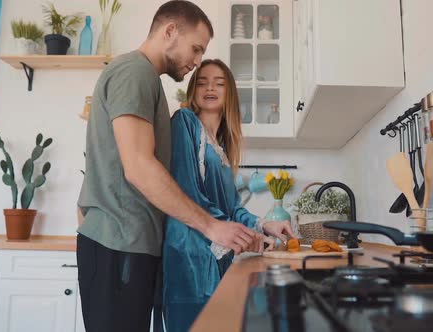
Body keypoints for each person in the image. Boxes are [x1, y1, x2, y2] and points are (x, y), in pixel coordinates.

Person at [76, 2, 263, 331]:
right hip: (119, 244)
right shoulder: (134, 72)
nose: (196, 61)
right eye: (196, 49)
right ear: (170, 31)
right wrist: (211, 226)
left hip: (129, 246)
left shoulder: (147, 80)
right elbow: (137, 166)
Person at [162, 59, 296, 332]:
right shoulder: (184, 122)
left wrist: (263, 225)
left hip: (217, 257)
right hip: (189, 258)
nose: (210, 88)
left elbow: (233, 208)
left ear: (230, 93)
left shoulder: (221, 147)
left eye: (219, 83)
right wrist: (245, 237)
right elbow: (187, 193)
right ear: (193, 90)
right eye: (202, 82)